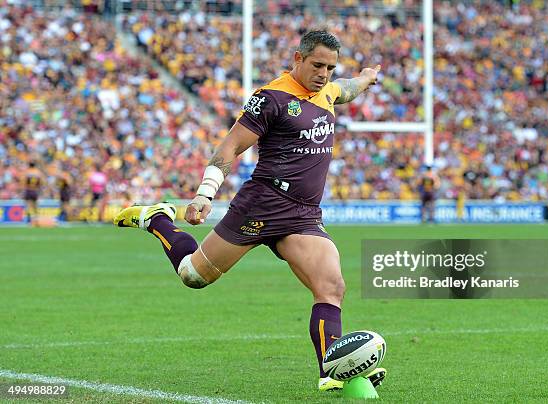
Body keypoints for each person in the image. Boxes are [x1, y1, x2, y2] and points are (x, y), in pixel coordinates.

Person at [113, 30, 386, 392]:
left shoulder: (328, 91)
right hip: (262, 204)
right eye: (317, 65)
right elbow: (230, 147)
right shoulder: (271, 97)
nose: (324, 73)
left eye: (330, 67)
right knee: (194, 276)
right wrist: (204, 195)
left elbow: (346, 89)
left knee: (331, 286)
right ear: (297, 59)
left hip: (303, 215)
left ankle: (329, 372)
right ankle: (158, 219)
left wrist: (366, 78)